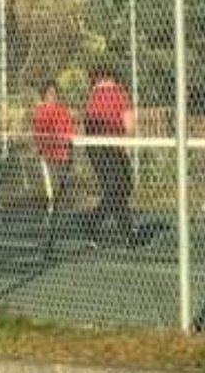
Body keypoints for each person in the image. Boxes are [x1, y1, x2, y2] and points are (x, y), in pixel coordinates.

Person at [83, 67, 135, 243]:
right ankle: (126, 232)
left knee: (118, 187)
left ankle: (99, 223)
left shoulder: (93, 96)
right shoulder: (120, 94)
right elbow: (129, 126)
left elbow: (89, 125)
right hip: (110, 147)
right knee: (120, 187)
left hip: (95, 148)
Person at [31, 82, 76, 215]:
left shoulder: (62, 109)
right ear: (44, 95)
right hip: (50, 155)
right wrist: (40, 148)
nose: (53, 95)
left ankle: (56, 213)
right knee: (52, 188)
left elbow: (70, 129)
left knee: (62, 187)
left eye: (55, 92)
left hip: (65, 153)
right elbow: (39, 133)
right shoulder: (41, 111)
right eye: (50, 93)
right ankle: (51, 213)